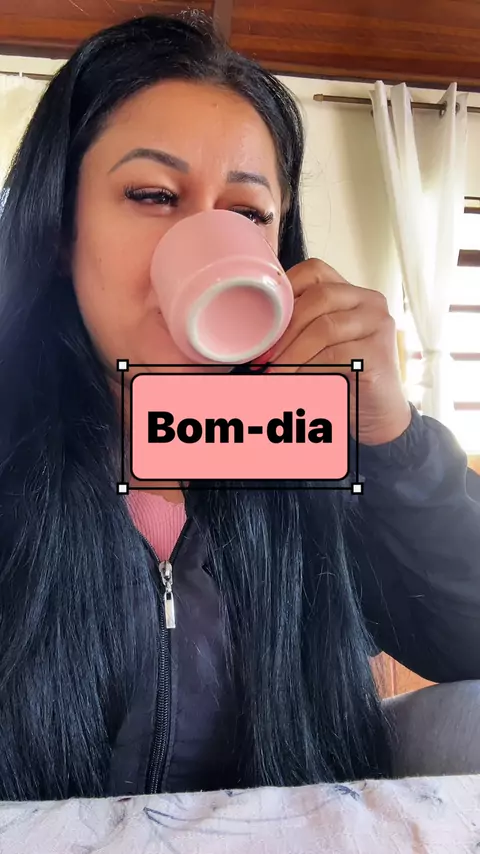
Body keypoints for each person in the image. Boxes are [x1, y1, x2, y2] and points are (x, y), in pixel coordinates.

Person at [0, 10, 479, 804]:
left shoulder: (308, 450)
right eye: (153, 194)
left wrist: (393, 443)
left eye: (248, 214)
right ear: (60, 229)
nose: (206, 239)